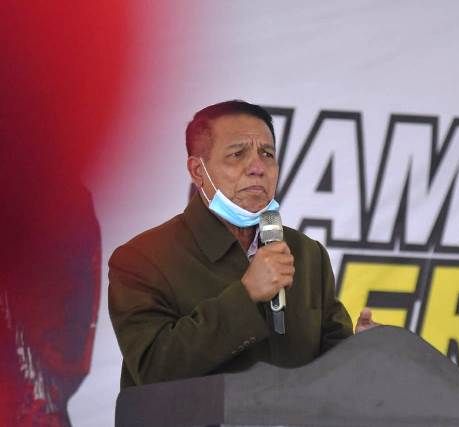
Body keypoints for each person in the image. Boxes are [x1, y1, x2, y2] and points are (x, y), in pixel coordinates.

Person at [108, 100, 376, 388]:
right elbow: (153, 367)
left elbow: (330, 370)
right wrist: (246, 296)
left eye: (267, 154)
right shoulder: (143, 259)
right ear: (198, 171)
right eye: (237, 154)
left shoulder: (307, 253)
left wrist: (360, 351)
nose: (258, 167)